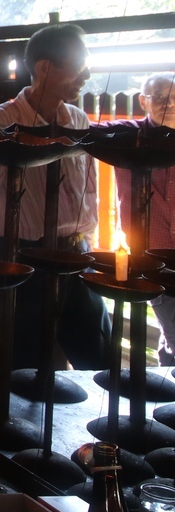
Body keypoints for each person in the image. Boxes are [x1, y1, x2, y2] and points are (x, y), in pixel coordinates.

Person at [0, 23, 109, 370]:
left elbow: (87, 190)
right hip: (22, 258)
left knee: (98, 359)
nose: (87, 74)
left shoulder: (76, 119)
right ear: (45, 68)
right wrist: (5, 158)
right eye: (79, 65)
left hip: (77, 255)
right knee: (24, 364)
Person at [113, 72, 175, 363]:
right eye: (161, 97)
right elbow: (83, 131)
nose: (170, 104)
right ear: (143, 100)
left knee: (170, 337)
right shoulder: (129, 137)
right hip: (152, 261)